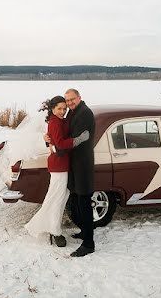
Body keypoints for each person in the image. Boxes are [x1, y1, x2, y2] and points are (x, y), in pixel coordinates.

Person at [24, 96, 89, 247]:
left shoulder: (60, 121)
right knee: (56, 198)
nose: (62, 111)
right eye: (59, 108)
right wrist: (78, 140)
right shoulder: (54, 122)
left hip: (62, 164)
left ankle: (52, 227)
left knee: (61, 196)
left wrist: (48, 140)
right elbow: (60, 145)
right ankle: (53, 230)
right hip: (58, 165)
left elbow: (56, 139)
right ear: (52, 109)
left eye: (64, 109)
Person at [64, 88, 96, 257]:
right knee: (77, 200)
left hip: (83, 164)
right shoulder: (74, 112)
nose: (69, 103)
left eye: (72, 99)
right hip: (75, 164)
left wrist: (58, 147)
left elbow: (75, 139)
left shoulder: (84, 113)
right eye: (67, 100)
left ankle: (89, 244)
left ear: (79, 97)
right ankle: (84, 232)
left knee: (84, 202)